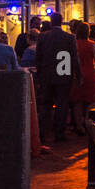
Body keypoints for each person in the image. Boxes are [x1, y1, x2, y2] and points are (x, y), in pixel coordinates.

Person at [33, 11, 81, 147]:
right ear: (62, 21)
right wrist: (79, 75)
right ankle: (59, 133)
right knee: (62, 105)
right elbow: (74, 58)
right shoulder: (69, 38)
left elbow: (38, 57)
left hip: (47, 76)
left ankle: (43, 133)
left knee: (46, 105)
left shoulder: (43, 37)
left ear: (51, 21)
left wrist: (40, 73)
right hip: (64, 73)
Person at [69, 20, 95, 135]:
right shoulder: (92, 44)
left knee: (77, 102)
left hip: (76, 75)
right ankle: (87, 120)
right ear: (88, 32)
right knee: (92, 100)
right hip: (90, 74)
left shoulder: (73, 44)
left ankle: (79, 125)